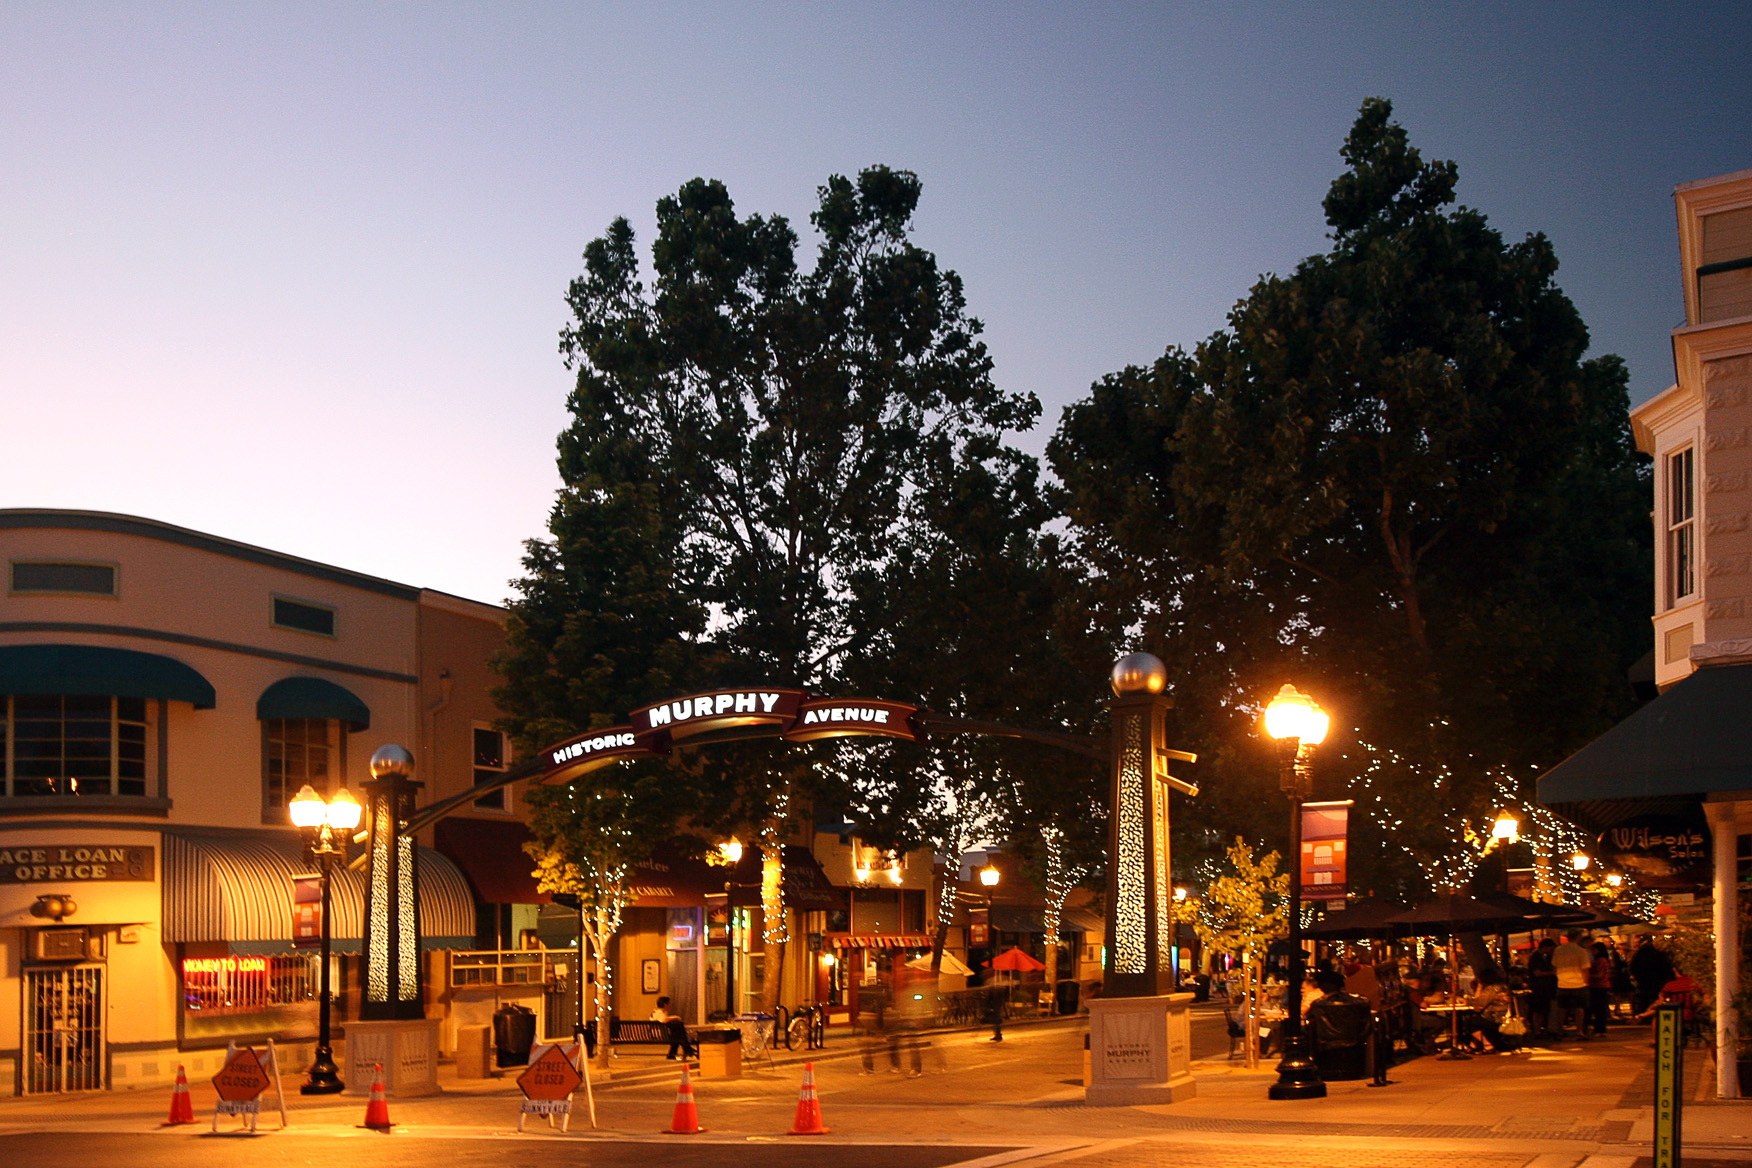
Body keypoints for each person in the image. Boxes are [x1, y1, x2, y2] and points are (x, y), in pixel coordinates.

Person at [1467, 969, 1520, 1053]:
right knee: (1476, 1020)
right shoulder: (1504, 987)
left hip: (1493, 1018)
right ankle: (1473, 1045)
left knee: (1470, 1022)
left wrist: (1467, 1000)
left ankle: (1487, 1045)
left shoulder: (1491, 989)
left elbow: (1480, 1005)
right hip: (1505, 1017)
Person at [1551, 932, 1591, 1039]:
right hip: (1578, 983)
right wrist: (1586, 982)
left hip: (1562, 983)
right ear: (1578, 937)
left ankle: (1559, 1030)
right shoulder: (1581, 951)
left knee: (1562, 1008)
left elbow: (1554, 966)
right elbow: (1585, 968)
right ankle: (1579, 1031)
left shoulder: (1558, 950)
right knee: (1579, 1008)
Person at [1629, 935, 1677, 1017]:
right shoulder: (1658, 954)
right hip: (1656, 979)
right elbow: (1666, 966)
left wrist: (1636, 976)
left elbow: (1633, 966)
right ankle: (1651, 1015)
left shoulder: (1639, 955)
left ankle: (1640, 1015)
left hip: (1643, 980)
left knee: (1642, 999)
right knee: (1653, 997)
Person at [1527, 939, 1557, 1037]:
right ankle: (1537, 1029)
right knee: (1538, 1009)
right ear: (1545, 947)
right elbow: (1537, 973)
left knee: (1543, 1009)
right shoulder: (1536, 958)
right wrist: (1551, 973)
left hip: (1544, 987)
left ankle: (1540, 1028)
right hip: (1538, 987)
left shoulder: (1545, 957)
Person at [650, 996, 694, 1060]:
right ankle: (687, 1049)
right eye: (669, 1004)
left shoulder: (655, 1012)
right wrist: (675, 1017)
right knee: (679, 1031)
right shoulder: (659, 1013)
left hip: (660, 1033)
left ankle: (674, 1053)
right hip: (661, 1035)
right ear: (665, 1005)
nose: (670, 1006)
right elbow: (664, 1020)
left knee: (678, 1032)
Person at [1586, 941, 1613, 1036]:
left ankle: (1600, 1029)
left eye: (1593, 950)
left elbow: (1600, 974)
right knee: (1599, 1009)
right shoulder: (1603, 960)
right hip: (1601, 986)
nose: (1592, 952)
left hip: (1599, 986)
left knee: (1599, 1009)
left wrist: (1588, 976)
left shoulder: (1600, 961)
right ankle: (1599, 1028)